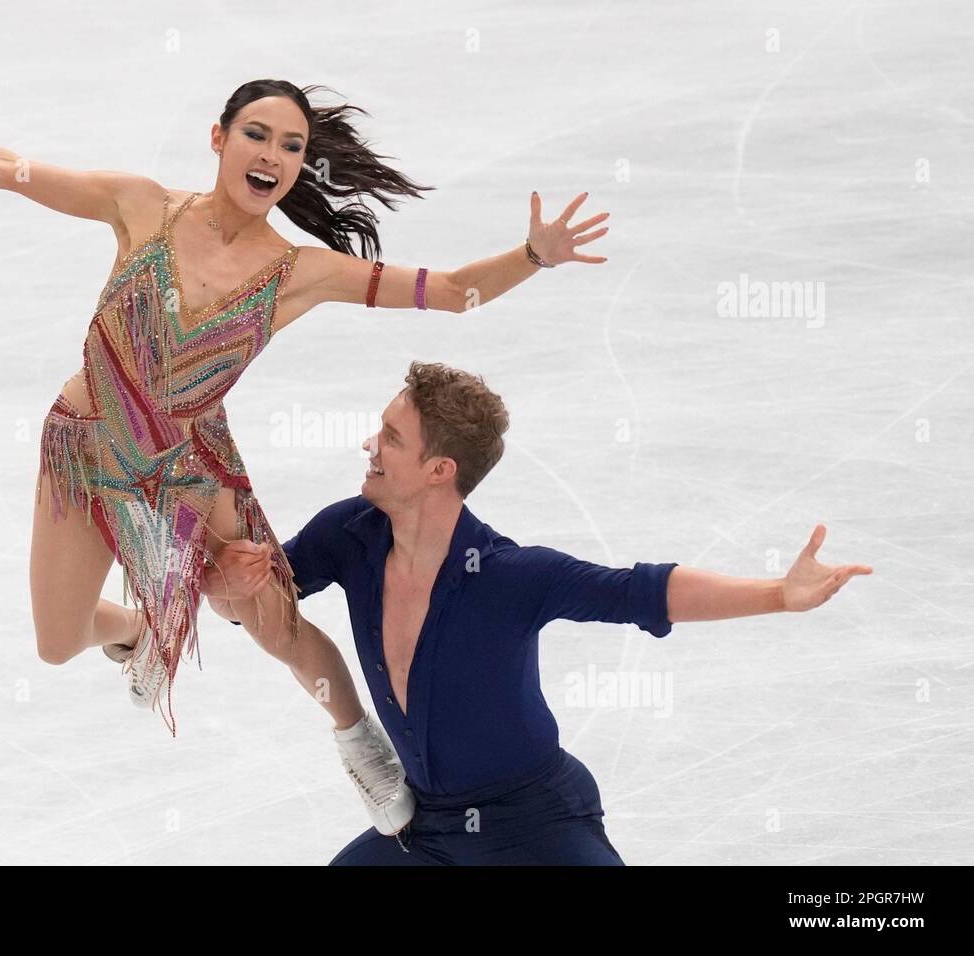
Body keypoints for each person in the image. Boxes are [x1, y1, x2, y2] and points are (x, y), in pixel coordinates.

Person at [0, 74, 609, 835]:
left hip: (188, 465)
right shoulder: (141, 208)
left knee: (269, 617)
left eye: (291, 146)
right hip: (86, 450)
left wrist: (533, 255)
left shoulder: (300, 272)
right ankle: (140, 636)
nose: (271, 155)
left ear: (301, 164)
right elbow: (13, 173)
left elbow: (449, 292)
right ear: (219, 138)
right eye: (256, 134)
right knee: (56, 643)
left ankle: (357, 739)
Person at [201, 361, 873, 864]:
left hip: (533, 825)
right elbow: (260, 609)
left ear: (440, 470)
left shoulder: (507, 576)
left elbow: (643, 591)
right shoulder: (351, 534)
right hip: (427, 824)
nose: (370, 445)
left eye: (392, 437)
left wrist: (777, 595)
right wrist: (227, 582)